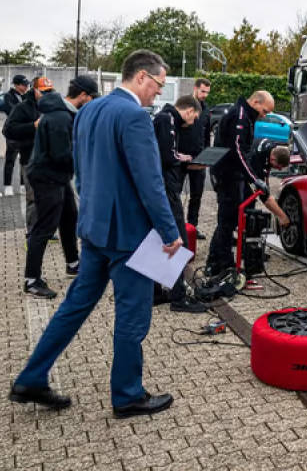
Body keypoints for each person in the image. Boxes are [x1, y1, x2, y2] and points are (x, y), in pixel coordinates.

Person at [8, 50, 182, 418]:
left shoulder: (89, 110)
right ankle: (128, 395)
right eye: (158, 85)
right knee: (132, 316)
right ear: (140, 77)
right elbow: (150, 183)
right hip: (128, 237)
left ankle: (32, 376)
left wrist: (89, 210)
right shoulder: (134, 116)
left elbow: (82, 169)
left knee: (74, 307)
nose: (158, 94)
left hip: (95, 229)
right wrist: (169, 232)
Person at [22, 75, 98, 299]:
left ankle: (73, 263)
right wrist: (87, 159)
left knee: (69, 217)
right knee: (44, 227)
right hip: (47, 177)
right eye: (91, 98)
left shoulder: (65, 114)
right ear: (83, 96)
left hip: (59, 176)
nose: (92, 103)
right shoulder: (59, 118)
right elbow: (60, 155)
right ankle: (32, 279)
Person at [205, 90, 275, 276]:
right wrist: (254, 178)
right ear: (256, 102)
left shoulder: (244, 115)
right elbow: (237, 151)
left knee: (227, 222)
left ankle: (216, 263)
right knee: (227, 222)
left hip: (231, 174)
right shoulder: (241, 116)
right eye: (265, 111)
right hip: (228, 175)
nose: (264, 115)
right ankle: (221, 265)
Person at [152, 95, 207, 313]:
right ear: (189, 111)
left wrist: (179, 157)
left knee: (160, 241)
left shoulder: (165, 119)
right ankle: (178, 298)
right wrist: (180, 158)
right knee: (178, 240)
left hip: (164, 188)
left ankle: (156, 292)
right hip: (167, 190)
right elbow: (166, 155)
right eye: (194, 117)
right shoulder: (167, 120)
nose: (193, 123)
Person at [4, 77, 52, 232]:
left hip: (47, 159)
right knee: (32, 198)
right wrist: (32, 126)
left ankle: (46, 230)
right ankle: (32, 233)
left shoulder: (50, 106)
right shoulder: (22, 107)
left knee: (47, 197)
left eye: (49, 91)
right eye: (43, 91)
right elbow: (9, 130)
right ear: (35, 90)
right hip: (29, 159)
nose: (46, 94)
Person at [177, 78, 212, 239]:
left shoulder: (206, 110)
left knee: (196, 194)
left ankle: (192, 226)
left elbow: (206, 135)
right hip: (181, 157)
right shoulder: (184, 106)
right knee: (175, 193)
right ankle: (176, 227)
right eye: (203, 91)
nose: (204, 95)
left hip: (199, 158)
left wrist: (205, 155)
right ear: (195, 88)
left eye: (207, 92)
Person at [1, 74, 29, 197]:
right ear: (16, 85)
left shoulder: (27, 97)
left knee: (25, 160)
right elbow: (12, 111)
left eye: (27, 85)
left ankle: (23, 185)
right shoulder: (8, 96)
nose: (26, 87)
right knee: (10, 159)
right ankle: (8, 185)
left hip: (25, 132)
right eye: (24, 85)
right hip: (13, 133)